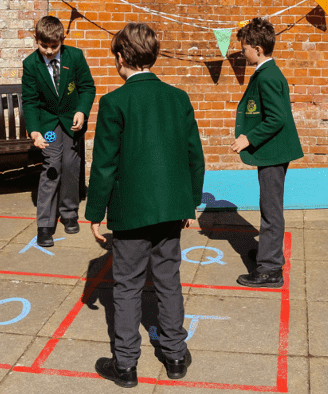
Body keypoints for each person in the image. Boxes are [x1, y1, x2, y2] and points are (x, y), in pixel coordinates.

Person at [87, 22, 204, 388]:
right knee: (168, 279)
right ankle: (174, 355)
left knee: (126, 286)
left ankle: (125, 364)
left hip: (130, 211)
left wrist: (94, 213)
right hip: (171, 207)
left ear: (121, 57)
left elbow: (105, 164)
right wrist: (190, 203)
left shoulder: (113, 102)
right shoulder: (178, 98)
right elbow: (193, 156)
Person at [230, 17, 303, 288]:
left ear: (258, 49)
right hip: (271, 151)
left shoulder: (269, 76)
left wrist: (248, 139)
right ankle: (268, 254)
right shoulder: (267, 72)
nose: (242, 52)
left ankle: (270, 269)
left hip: (272, 151)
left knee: (270, 209)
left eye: (245, 48)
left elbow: (277, 118)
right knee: (269, 206)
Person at [21, 15, 96, 248]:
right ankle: (44, 223)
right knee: (53, 164)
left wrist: (82, 111)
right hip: (50, 127)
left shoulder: (75, 57)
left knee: (71, 164)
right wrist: (34, 132)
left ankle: (69, 211)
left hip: (71, 123)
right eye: (44, 46)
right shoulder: (31, 64)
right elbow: (30, 101)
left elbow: (87, 87)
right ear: (36, 40)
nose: (49, 50)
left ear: (62, 40)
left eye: (54, 46)